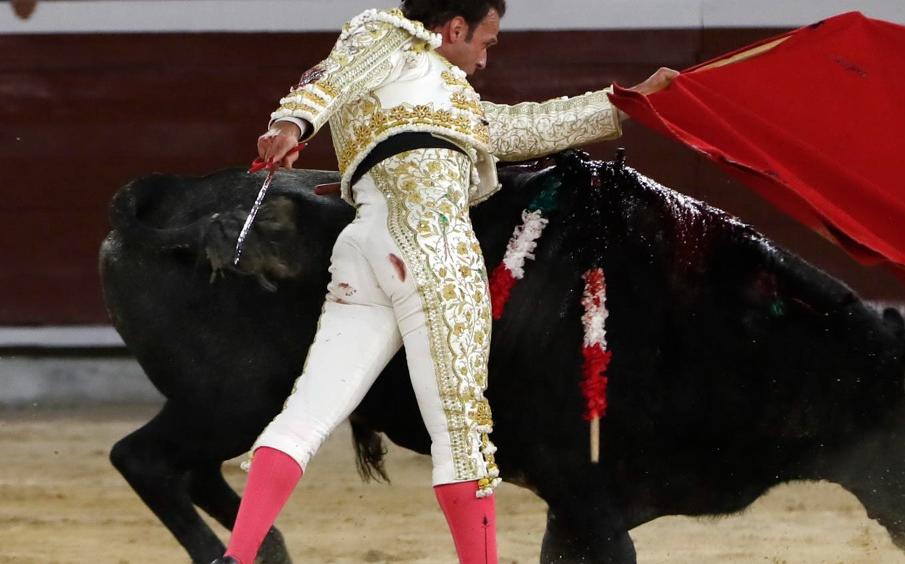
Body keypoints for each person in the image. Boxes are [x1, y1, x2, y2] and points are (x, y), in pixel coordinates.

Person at [212, 1, 677, 563]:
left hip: (366, 248)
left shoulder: (440, 93)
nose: (484, 58)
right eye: (486, 41)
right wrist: (288, 124)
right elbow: (327, 79)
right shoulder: (386, 35)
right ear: (454, 27)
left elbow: (520, 126)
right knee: (462, 435)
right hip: (433, 247)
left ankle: (238, 558)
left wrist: (628, 101)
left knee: (306, 414)